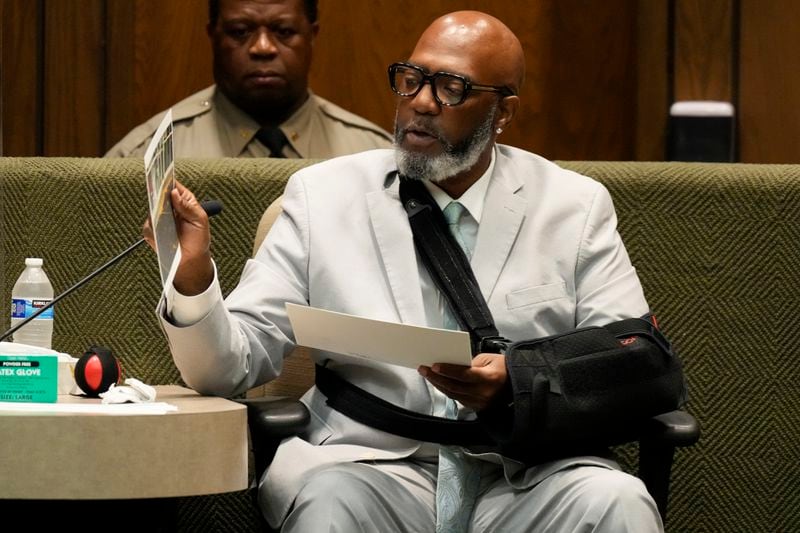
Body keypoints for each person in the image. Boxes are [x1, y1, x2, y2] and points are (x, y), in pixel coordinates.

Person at [149, 10, 665, 532]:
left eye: (451, 89)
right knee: (329, 501)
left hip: (529, 476)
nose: (420, 103)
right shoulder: (322, 196)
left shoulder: (574, 208)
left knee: (618, 502)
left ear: (502, 111)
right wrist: (192, 278)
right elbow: (229, 367)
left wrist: (521, 381)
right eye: (412, 80)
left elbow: (628, 360)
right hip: (370, 469)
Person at [106, 0, 391, 158]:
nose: (262, 47)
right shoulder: (147, 156)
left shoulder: (374, 155)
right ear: (213, 36)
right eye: (241, 31)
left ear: (312, 37)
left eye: (283, 31)